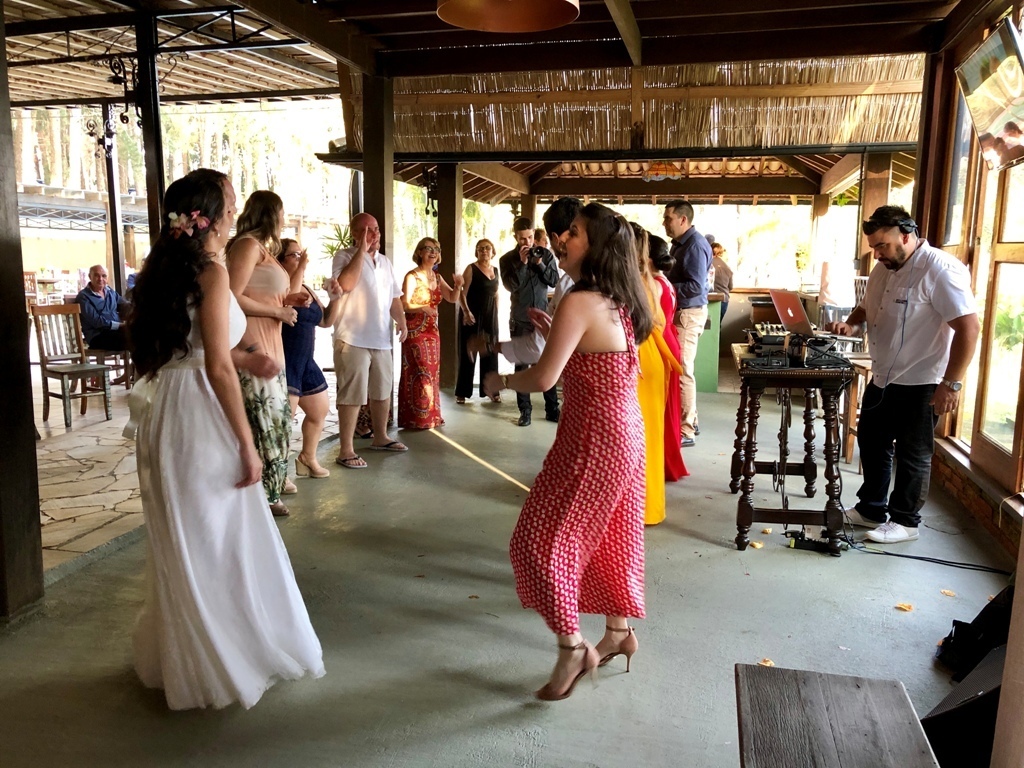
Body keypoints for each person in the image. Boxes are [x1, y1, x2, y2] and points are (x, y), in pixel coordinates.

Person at [126, 168, 324, 710]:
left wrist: (247, 358)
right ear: (210, 216)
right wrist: (246, 442)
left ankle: (191, 656)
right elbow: (214, 366)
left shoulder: (167, 271)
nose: (237, 207)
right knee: (219, 534)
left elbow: (192, 349)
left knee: (188, 534)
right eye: (230, 200)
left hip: (166, 413)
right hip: (199, 414)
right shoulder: (212, 272)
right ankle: (222, 658)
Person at [483, 202, 652, 701]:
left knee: (538, 541)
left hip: (595, 439)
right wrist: (551, 329)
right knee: (608, 538)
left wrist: (499, 380)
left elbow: (542, 378)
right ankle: (618, 632)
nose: (561, 239)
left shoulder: (580, 299)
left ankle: (573, 647)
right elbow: (586, 351)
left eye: (572, 233)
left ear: (594, 245)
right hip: (624, 434)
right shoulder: (616, 296)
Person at [827, 205, 979, 544]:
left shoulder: (940, 269)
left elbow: (969, 328)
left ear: (907, 235)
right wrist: (850, 325)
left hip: (922, 379)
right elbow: (866, 308)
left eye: (882, 245)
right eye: (874, 247)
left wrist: (951, 384)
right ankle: (871, 509)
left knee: (913, 454)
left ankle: (906, 522)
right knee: (872, 442)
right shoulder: (883, 268)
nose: (877, 254)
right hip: (883, 375)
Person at [226, 190, 308, 518]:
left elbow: (263, 293)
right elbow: (231, 296)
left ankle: (269, 490)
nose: (284, 218)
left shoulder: (265, 251)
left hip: (274, 345)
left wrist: (287, 301)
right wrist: (277, 312)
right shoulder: (247, 246)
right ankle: (262, 496)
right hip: (253, 344)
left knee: (279, 422)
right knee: (263, 422)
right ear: (271, 213)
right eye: (282, 212)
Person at [331, 213, 409, 468]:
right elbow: (345, 283)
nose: (374, 234)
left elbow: (394, 297)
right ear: (355, 234)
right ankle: (346, 449)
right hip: (352, 338)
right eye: (367, 231)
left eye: (376, 229)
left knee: (382, 391)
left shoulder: (385, 262)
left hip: (381, 338)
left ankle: (381, 436)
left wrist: (402, 321)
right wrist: (361, 251)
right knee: (352, 394)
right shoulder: (344, 257)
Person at [630, 224, 682, 526]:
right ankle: (647, 505)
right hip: (653, 356)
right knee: (648, 435)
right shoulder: (650, 281)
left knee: (639, 437)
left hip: (641, 358)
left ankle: (638, 507)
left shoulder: (635, 283)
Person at [278, 238, 341, 479]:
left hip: (306, 361)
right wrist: (302, 266)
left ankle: (307, 458)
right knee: (285, 421)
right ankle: (279, 474)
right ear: (280, 260)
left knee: (319, 411)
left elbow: (325, 321)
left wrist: (336, 298)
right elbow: (289, 297)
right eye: (294, 255)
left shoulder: (306, 287)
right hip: (287, 359)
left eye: (300, 254)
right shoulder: (280, 287)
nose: (300, 258)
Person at [498, 216, 560, 427]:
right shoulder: (507, 259)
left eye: (530, 237)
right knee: (521, 366)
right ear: (515, 237)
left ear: (534, 234)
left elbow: (554, 280)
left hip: (543, 319)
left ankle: (552, 409)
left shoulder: (546, 254)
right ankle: (525, 411)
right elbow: (511, 286)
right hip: (520, 319)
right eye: (522, 238)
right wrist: (523, 263)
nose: (527, 242)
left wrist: (539, 263)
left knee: (547, 363)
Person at [398, 237, 463, 429]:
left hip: (432, 332)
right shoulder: (412, 276)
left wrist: (458, 286)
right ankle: (416, 418)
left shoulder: (437, 277)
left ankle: (431, 416)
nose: (433, 252)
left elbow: (452, 298)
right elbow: (404, 304)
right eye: (428, 248)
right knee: (419, 371)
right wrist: (422, 307)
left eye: (436, 249)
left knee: (432, 373)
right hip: (415, 330)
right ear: (419, 252)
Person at [664, 200, 712, 448]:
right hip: (683, 312)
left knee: (683, 370)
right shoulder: (680, 244)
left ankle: (686, 430)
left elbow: (695, 286)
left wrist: (663, 287)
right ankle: (692, 419)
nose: (664, 223)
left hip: (688, 313)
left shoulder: (694, 245)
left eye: (668, 218)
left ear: (683, 220)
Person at [650, 234, 688, 483]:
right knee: (668, 404)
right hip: (669, 340)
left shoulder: (654, 283)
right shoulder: (664, 281)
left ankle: (663, 461)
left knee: (661, 405)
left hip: (661, 343)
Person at [456, 239, 500, 404]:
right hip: (472, 315)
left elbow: (496, 294)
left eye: (487, 248)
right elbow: (462, 293)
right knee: (469, 353)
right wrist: (466, 312)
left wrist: (496, 315)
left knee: (490, 351)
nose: (484, 251)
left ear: (493, 251)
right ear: (477, 252)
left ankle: (491, 390)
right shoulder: (471, 268)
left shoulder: (495, 270)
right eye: (480, 249)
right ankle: (462, 392)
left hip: (490, 316)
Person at [76, 264, 130, 350]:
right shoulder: (83, 297)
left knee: (144, 332)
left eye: (104, 276)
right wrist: (120, 325)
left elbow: (125, 306)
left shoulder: (110, 292)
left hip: (116, 332)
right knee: (133, 338)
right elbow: (96, 321)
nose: (100, 279)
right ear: (90, 276)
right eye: (96, 275)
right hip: (97, 336)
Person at [711, 242, 734, 322]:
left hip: (709, 300)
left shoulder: (706, 263)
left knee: (708, 326)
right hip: (724, 300)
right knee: (717, 325)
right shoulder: (727, 268)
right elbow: (730, 287)